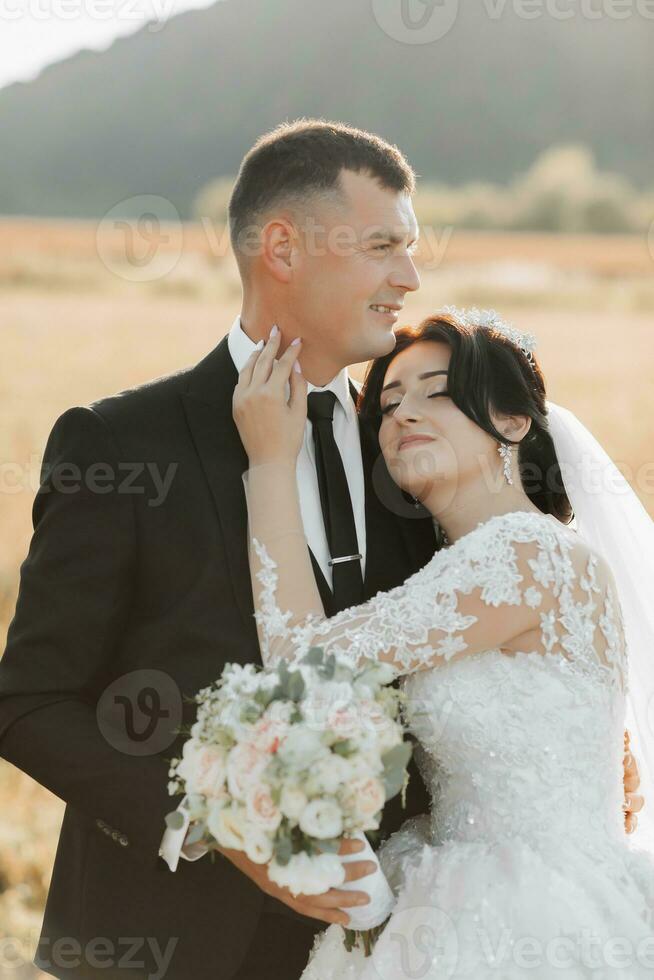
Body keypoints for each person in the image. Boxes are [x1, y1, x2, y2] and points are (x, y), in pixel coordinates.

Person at [0, 120, 435, 980]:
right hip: (168, 949)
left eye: (413, 249)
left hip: (394, 946)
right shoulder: (120, 444)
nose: (410, 278)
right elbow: (29, 699)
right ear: (283, 246)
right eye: (383, 245)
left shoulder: (420, 444)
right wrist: (215, 827)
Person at [232, 307, 652, 978]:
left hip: (525, 916)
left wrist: (270, 462)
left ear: (513, 422)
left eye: (438, 392)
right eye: (389, 404)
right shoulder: (468, 567)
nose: (402, 414)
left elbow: (298, 663)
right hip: (458, 880)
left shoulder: (523, 553)